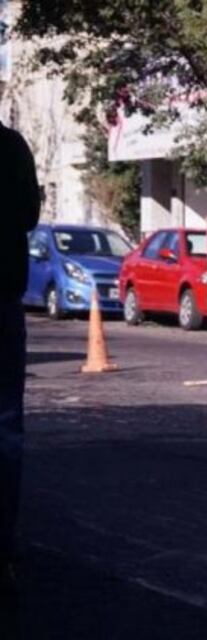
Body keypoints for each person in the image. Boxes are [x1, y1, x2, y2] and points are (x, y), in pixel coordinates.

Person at [0, 119, 41, 587]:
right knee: (4, 430)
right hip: (0, 304)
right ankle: (0, 547)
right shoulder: (10, 146)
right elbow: (28, 215)